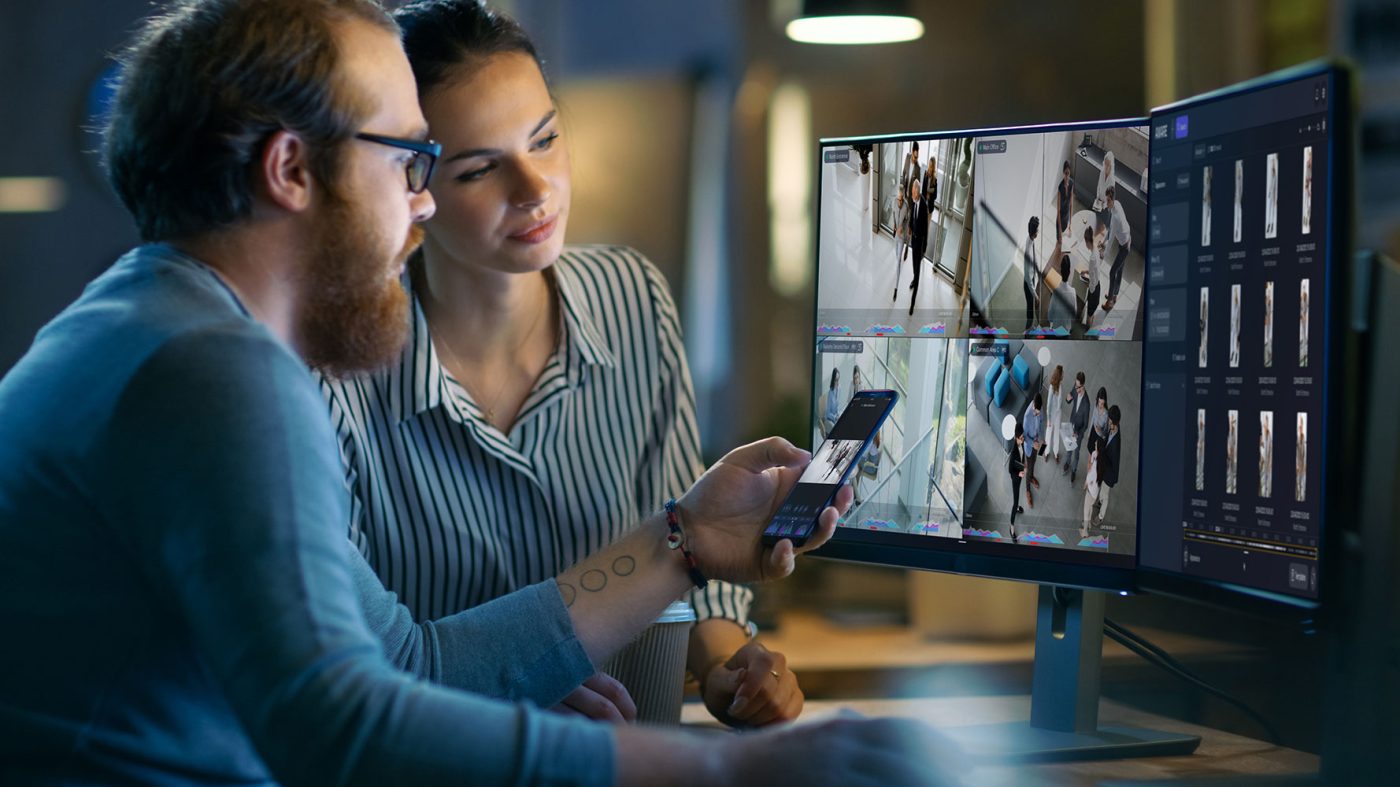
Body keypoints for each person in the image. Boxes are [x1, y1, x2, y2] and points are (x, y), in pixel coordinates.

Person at [0, 2, 964, 783]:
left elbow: (407, 665)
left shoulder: (145, 324)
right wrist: (733, 776)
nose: (420, 202)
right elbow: (346, 733)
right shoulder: (215, 371)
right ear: (292, 168)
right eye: (413, 160)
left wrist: (684, 539)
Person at [322, 0, 783, 725]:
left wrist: (729, 668)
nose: (535, 189)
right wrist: (498, 686)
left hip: (633, 760)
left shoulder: (634, 298)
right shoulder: (340, 367)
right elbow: (342, 663)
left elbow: (687, 555)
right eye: (480, 170)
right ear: (413, 185)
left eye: (545, 140)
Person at [893, 141, 921, 298]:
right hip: (904, 198)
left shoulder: (918, 168)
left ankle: (905, 248)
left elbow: (917, 187)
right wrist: (901, 190)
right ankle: (901, 242)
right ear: (912, 152)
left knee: (908, 226)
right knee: (901, 222)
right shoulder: (906, 157)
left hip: (911, 202)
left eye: (917, 158)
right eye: (914, 156)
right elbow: (903, 174)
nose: (915, 160)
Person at [1101, 186, 1132, 312]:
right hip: (1125, 240)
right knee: (1119, 270)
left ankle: (1110, 302)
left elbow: (1112, 238)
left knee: (1112, 272)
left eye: (1108, 200)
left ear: (1113, 200)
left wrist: (1104, 254)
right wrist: (1103, 241)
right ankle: (1114, 294)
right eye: (1106, 200)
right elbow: (1110, 232)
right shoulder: (1116, 204)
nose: (1107, 203)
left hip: (1125, 246)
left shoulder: (1115, 218)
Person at [1095, 406, 1122, 527]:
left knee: (1104, 496)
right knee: (1101, 492)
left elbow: (1114, 465)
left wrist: (1100, 452)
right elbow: (1107, 435)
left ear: (1115, 423)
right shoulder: (1113, 428)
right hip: (1104, 467)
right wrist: (1101, 433)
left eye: (1110, 421)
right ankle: (1100, 502)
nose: (1108, 422)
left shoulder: (1116, 445)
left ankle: (1100, 517)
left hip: (1109, 474)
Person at [908, 179, 930, 316]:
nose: (911, 194)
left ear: (918, 191)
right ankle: (914, 278)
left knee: (917, 270)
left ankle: (912, 302)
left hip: (920, 242)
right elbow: (911, 215)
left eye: (913, 192)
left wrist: (924, 248)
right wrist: (910, 226)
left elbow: (926, 230)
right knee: (913, 265)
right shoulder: (913, 200)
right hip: (913, 240)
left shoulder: (924, 207)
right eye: (911, 191)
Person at [1065, 371, 1090, 483]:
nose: (1076, 388)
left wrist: (1078, 434)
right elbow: (1069, 400)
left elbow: (1085, 425)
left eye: (1078, 387)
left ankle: (1074, 470)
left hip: (1078, 432)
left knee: (1076, 452)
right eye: (1075, 385)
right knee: (1069, 446)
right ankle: (1067, 462)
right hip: (1071, 424)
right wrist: (1068, 398)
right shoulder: (1075, 388)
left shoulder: (1087, 404)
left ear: (1083, 385)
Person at [1022, 393, 1044, 507]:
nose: (1037, 414)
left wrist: (1042, 439)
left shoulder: (1040, 407)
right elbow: (1024, 437)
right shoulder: (1027, 416)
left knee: (1033, 463)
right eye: (1036, 412)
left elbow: (1042, 422)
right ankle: (1027, 490)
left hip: (1037, 443)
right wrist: (1033, 444)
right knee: (1029, 467)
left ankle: (1031, 477)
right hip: (1030, 446)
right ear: (1033, 406)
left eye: (1038, 412)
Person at [1048, 254, 1077, 332]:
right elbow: (1073, 316)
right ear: (1069, 272)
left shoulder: (1055, 293)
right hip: (1066, 330)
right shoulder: (1073, 292)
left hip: (1056, 330)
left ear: (1060, 271)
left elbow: (1050, 316)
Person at [1044, 365, 1066, 468]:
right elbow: (1048, 405)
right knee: (1048, 434)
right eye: (1063, 373)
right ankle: (1046, 452)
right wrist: (1048, 419)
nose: (1064, 375)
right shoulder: (1052, 388)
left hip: (1058, 415)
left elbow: (1060, 402)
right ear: (1059, 375)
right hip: (1051, 415)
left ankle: (1056, 453)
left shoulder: (1060, 386)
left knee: (1056, 434)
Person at [1082, 225, 1103, 329]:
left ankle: (1087, 330)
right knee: (1092, 311)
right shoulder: (1096, 250)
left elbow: (1092, 282)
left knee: (1089, 315)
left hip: (1094, 289)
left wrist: (1089, 288)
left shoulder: (1092, 259)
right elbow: (1094, 270)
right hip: (1098, 285)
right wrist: (1086, 271)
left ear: (1087, 241)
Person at [1009, 423, 1026, 542]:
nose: (1023, 439)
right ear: (1016, 438)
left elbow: (1022, 457)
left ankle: (1018, 507)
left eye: (1023, 437)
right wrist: (1018, 474)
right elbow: (1010, 470)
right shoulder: (1013, 452)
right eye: (1021, 438)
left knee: (1018, 495)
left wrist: (1023, 467)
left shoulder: (1022, 443)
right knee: (1015, 502)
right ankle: (1011, 527)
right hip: (1016, 479)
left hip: (1020, 475)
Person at [1023, 215, 1041, 332]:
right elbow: (1029, 282)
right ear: (1034, 233)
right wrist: (1036, 296)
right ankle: (1028, 330)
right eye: (1038, 229)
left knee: (1032, 307)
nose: (1039, 231)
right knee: (1030, 310)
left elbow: (1035, 259)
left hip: (1032, 277)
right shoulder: (1028, 253)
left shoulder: (1030, 239)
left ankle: (1031, 325)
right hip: (1028, 284)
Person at [1056, 159, 1073, 236]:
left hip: (1067, 219)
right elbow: (1058, 210)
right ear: (1063, 172)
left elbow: (1071, 205)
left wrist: (1070, 223)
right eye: (1065, 173)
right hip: (1060, 220)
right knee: (1059, 242)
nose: (1067, 176)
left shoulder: (1071, 184)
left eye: (1068, 173)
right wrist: (1059, 227)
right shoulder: (1060, 188)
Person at [824, 367, 842, 433]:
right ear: (833, 380)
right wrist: (835, 418)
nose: (838, 382)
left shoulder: (839, 388)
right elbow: (828, 413)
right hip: (829, 419)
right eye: (836, 380)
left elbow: (837, 406)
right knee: (835, 430)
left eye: (838, 379)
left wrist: (838, 415)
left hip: (835, 417)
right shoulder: (830, 393)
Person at [1201, 166, 1212, 247]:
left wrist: (1208, 197)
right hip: (1204, 204)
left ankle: (1205, 238)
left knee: (1206, 222)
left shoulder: (1209, 180)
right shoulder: (1205, 176)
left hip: (1206, 205)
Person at [1233, 159, 1244, 244]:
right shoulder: (1237, 178)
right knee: (1236, 215)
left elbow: (1241, 189)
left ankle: (1237, 231)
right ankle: (1236, 231)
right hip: (1236, 199)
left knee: (1238, 215)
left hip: (1239, 199)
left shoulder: (1240, 178)